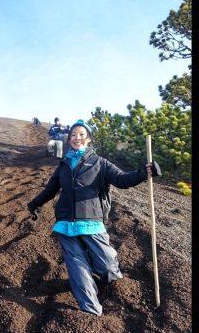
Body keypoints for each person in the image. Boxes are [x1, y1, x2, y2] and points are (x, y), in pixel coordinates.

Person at [26, 120, 160, 315]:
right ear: (68, 138)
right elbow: (50, 190)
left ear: (88, 138)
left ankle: (110, 284)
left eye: (81, 134)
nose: (76, 138)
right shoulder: (63, 166)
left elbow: (122, 180)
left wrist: (144, 173)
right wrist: (34, 204)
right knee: (77, 268)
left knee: (106, 264)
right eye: (73, 135)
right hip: (65, 224)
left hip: (92, 223)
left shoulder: (100, 163)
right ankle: (90, 311)